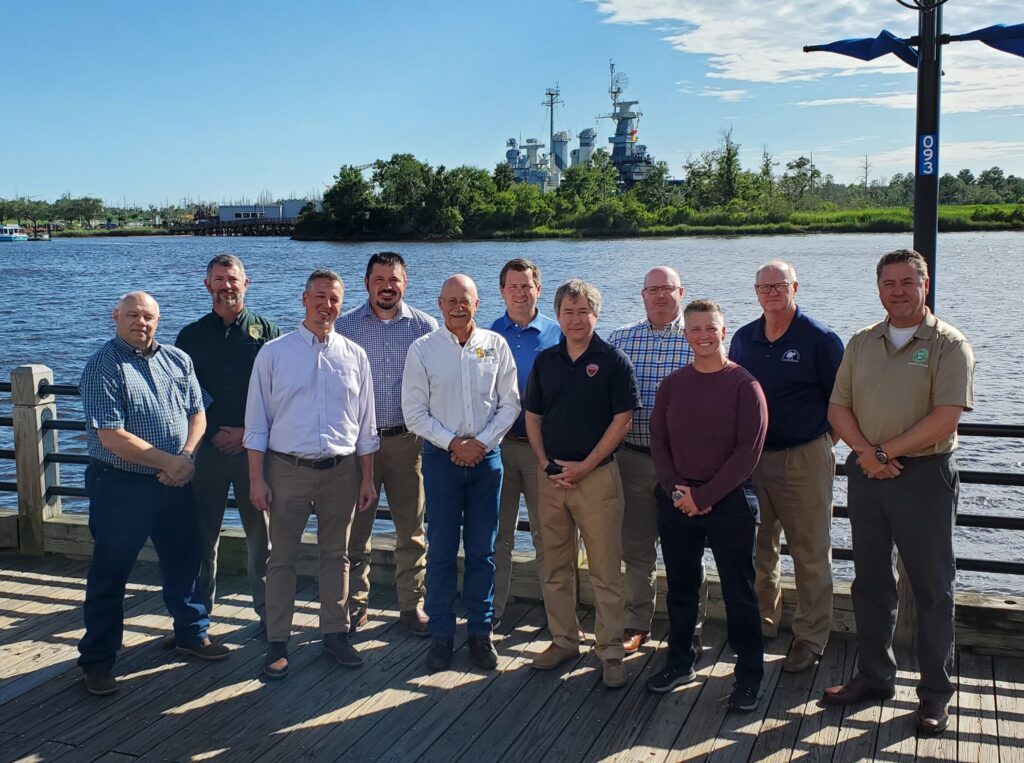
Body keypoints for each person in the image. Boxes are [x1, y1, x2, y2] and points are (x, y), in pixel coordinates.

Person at [823, 249, 974, 736]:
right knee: (869, 581)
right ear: (879, 288)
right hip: (867, 475)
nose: (898, 290)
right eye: (889, 283)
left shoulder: (950, 344)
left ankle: (934, 694)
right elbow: (838, 406)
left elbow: (945, 416)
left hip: (925, 477)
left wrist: (883, 453)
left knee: (932, 589)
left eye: (908, 281)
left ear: (925, 284)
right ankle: (874, 676)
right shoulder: (862, 342)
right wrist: (869, 453)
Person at [78, 292, 228, 696]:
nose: (140, 322)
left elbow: (198, 413)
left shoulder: (177, 359)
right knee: (111, 573)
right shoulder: (103, 366)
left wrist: (186, 457)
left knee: (186, 561)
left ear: (157, 321)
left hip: (175, 481)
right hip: (122, 485)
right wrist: (170, 463)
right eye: (132, 315)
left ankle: (190, 633)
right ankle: (98, 659)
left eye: (148, 316)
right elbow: (111, 437)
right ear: (116, 316)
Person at [244, 269, 379, 679]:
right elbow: (256, 423)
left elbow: (365, 425)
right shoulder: (273, 353)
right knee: (281, 558)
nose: (326, 306)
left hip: (342, 472)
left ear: (342, 304)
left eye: (334, 299)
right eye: (319, 297)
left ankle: (335, 633)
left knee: (336, 555)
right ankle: (278, 640)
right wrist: (256, 479)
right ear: (304, 299)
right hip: (287, 470)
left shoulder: (355, 355)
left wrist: (368, 478)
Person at [647, 299, 767, 712]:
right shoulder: (673, 385)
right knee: (680, 588)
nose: (703, 336)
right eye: (694, 329)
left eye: (710, 328)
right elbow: (658, 441)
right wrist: (676, 490)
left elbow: (747, 453)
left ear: (723, 330)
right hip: (678, 499)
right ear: (686, 335)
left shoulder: (745, 386)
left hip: (729, 500)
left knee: (740, 592)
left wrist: (706, 497)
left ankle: (748, 676)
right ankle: (681, 660)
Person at [524, 279, 640, 689]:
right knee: (555, 564)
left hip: (598, 479)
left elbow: (622, 420)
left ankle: (610, 651)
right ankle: (564, 640)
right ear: (557, 316)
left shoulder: (613, 361)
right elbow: (533, 416)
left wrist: (586, 465)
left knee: (606, 569)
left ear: (596, 314)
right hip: (551, 478)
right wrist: (544, 463)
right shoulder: (545, 361)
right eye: (568, 312)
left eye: (583, 311)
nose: (575, 319)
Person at [728, 260, 844, 673]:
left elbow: (842, 402)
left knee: (810, 551)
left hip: (804, 457)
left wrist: (819, 445)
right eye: (765, 286)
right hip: (754, 459)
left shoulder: (821, 339)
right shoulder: (743, 339)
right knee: (761, 547)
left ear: (795, 287)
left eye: (780, 285)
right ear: (756, 291)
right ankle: (764, 621)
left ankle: (810, 638)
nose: (773, 292)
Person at [402, 274, 520, 672]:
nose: (457, 306)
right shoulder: (422, 350)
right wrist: (454, 443)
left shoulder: (495, 345)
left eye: (464, 300)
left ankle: (479, 633)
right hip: (440, 460)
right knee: (440, 549)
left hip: (487, 462)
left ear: (477, 303)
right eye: (450, 299)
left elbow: (510, 405)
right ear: (439, 303)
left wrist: (481, 444)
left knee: (483, 551)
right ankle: (440, 634)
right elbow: (414, 413)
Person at [175, 254, 279, 630]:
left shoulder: (269, 333)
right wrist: (217, 428)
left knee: (262, 539)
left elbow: (276, 393)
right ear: (208, 286)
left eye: (233, 279)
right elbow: (184, 393)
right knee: (203, 539)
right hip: (208, 450)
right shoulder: (190, 336)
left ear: (246, 284)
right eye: (219, 279)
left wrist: (247, 432)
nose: (226, 286)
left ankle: (269, 614)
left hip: (256, 452)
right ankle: (199, 617)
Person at [337, 252, 437, 637]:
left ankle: (412, 605)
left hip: (406, 442)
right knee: (354, 529)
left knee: (410, 528)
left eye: (394, 279)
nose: (387, 286)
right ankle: (354, 605)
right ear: (366, 283)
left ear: (404, 283)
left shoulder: (424, 328)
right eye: (379, 279)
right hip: (357, 444)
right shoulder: (344, 327)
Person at [608, 265, 706, 657]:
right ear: (643, 295)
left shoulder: (699, 338)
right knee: (636, 550)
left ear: (681, 293)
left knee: (686, 550)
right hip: (632, 458)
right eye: (653, 290)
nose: (660, 297)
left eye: (668, 289)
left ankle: (690, 627)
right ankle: (637, 621)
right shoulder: (620, 340)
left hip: (683, 466)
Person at [489, 258, 561, 624]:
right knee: (496, 536)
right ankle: (492, 611)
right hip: (497, 448)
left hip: (540, 451)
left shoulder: (558, 334)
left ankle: (559, 618)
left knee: (548, 537)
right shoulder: (485, 336)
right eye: (512, 286)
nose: (520, 292)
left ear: (538, 289)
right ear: (502, 291)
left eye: (526, 285)